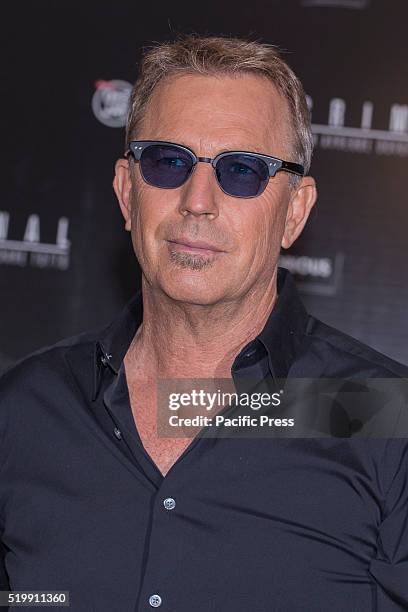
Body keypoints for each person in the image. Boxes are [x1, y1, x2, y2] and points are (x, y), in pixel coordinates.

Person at [1, 34, 407, 612]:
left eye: (242, 171)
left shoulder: (383, 414)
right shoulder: (24, 409)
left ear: (294, 211)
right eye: (168, 162)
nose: (198, 199)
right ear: (125, 192)